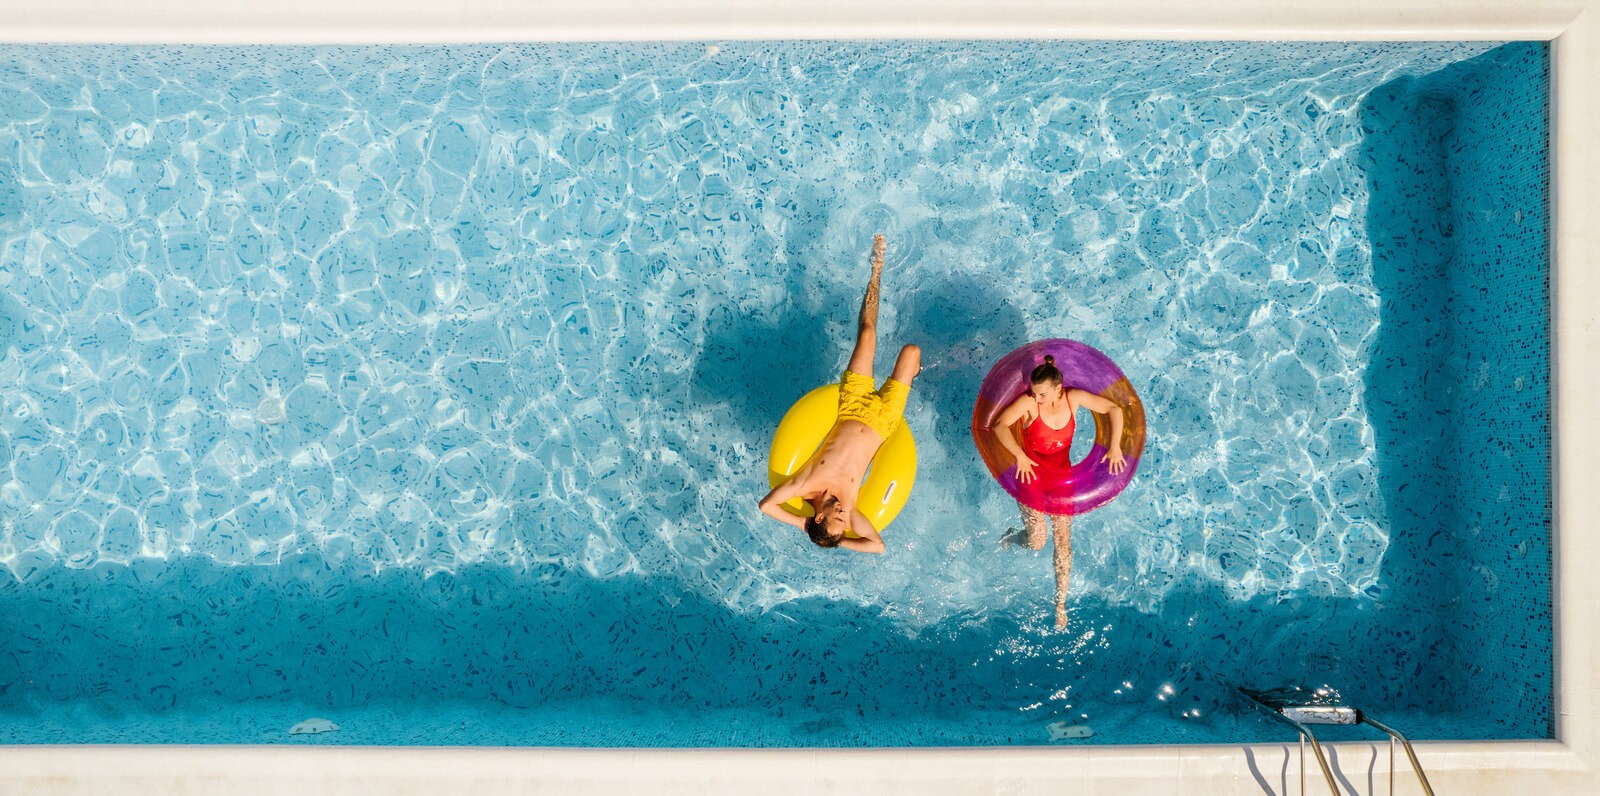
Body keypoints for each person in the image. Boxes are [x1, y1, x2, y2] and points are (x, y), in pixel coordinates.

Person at [758, 234, 921, 554]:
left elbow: (766, 507)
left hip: (852, 404)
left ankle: (877, 268)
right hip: (885, 419)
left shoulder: (804, 486)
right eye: (843, 523)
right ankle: (915, 370)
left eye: (836, 519)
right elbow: (877, 546)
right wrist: (838, 537)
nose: (844, 517)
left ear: (818, 515)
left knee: (868, 334)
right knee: (911, 352)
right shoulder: (851, 507)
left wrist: (802, 525)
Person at [990, 355, 1126, 628]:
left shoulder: (1072, 398)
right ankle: (1013, 538)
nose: (1035, 396)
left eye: (1041, 392)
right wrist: (1018, 455)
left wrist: (1115, 446)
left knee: (1063, 541)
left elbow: (1114, 409)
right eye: (1034, 391)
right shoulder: (1029, 403)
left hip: (1062, 478)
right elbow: (999, 426)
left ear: (1058, 389)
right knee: (1038, 541)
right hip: (1031, 475)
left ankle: (1060, 603)